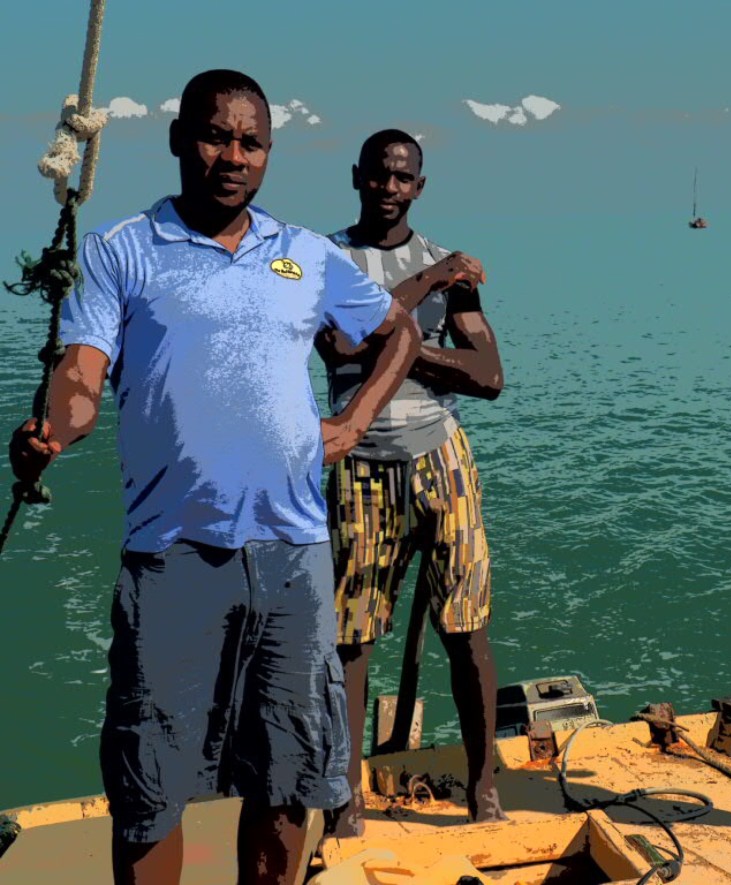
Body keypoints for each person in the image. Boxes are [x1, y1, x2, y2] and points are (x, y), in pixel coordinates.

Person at [2, 69, 495, 885]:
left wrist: (354, 421)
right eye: (214, 135)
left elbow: (397, 331)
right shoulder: (122, 249)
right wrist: (54, 428)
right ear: (176, 140)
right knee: (152, 788)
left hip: (295, 558)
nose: (232, 155)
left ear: (268, 153)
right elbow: (83, 374)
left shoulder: (302, 252)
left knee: (286, 777)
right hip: (172, 558)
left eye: (250, 141)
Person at [316, 129, 505, 829]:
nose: (389, 187)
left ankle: (485, 791)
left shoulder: (452, 270)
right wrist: (424, 287)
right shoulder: (329, 257)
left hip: (442, 459)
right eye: (379, 175)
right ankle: (347, 797)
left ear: (419, 187)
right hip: (359, 462)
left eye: (404, 178)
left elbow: (487, 376)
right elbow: (337, 342)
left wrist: (394, 346)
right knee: (352, 636)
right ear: (357, 177)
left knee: (467, 630)